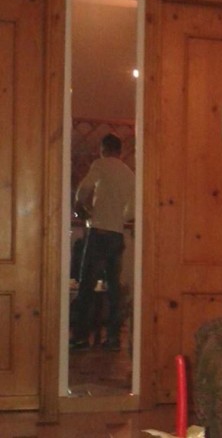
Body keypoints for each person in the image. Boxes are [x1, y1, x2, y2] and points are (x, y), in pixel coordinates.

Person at [70, 133, 135, 352]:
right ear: (120, 151)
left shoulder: (100, 165)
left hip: (98, 232)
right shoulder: (129, 173)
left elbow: (82, 192)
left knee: (86, 286)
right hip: (117, 235)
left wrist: (83, 210)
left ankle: (81, 337)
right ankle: (113, 338)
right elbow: (131, 210)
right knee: (114, 289)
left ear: (103, 149)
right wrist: (119, 217)